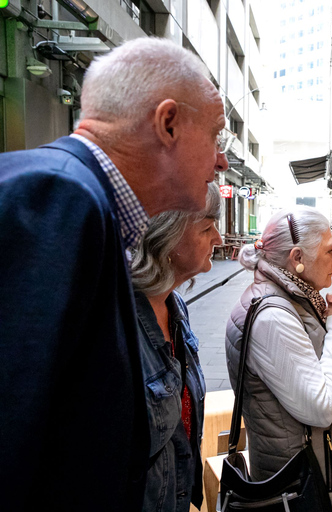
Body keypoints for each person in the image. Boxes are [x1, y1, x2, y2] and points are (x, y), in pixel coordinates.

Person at [0, 37, 228, 511]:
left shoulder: (83, 205)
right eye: (216, 136)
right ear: (168, 123)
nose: (222, 160)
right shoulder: (60, 197)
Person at [225, 207, 332, 512]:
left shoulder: (297, 297)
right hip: (301, 487)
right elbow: (320, 407)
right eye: (329, 250)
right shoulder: (273, 316)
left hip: (314, 476)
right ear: (297, 259)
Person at [131, 182, 222, 512]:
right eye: (208, 228)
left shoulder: (176, 306)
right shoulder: (118, 318)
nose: (219, 239)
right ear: (167, 235)